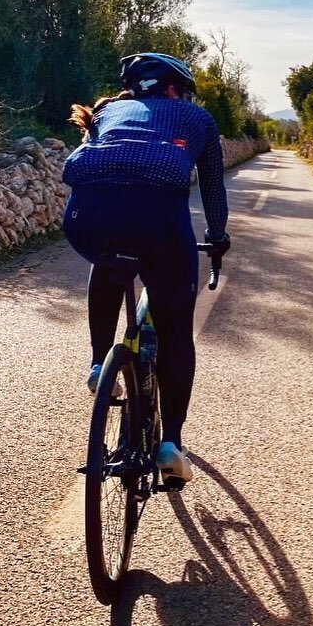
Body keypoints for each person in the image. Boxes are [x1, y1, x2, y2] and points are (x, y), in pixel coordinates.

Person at [62, 52, 230, 484]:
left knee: (109, 259)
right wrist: (218, 237)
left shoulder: (105, 111)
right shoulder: (197, 118)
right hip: (159, 226)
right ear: (175, 90)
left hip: (86, 221)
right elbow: (212, 188)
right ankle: (171, 444)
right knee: (176, 334)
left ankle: (100, 365)